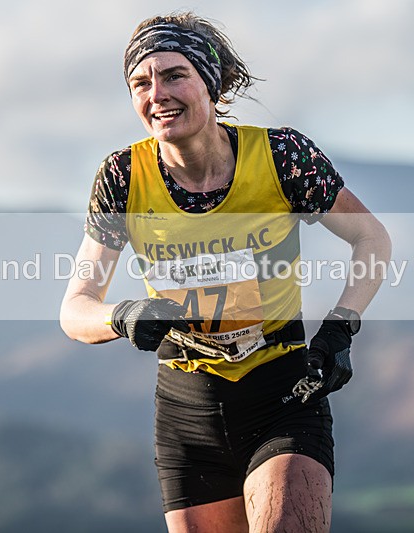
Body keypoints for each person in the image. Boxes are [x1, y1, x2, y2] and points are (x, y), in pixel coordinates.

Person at [60, 11, 391, 532]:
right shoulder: (122, 176)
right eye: (140, 83)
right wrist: (123, 316)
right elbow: (75, 307)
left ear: (210, 84)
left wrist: (341, 325)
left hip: (283, 395)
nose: (157, 94)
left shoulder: (283, 156)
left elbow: (371, 238)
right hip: (186, 416)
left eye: (174, 75)